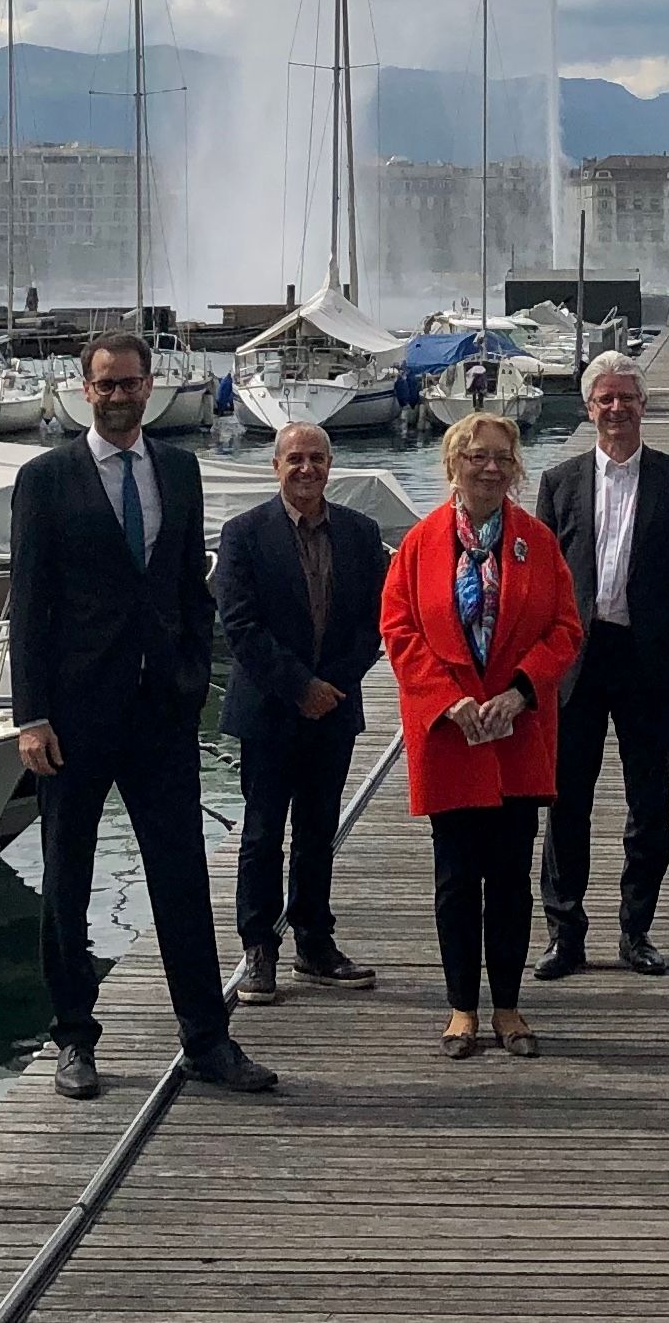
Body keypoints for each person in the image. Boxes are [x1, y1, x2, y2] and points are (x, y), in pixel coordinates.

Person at [8, 330, 276, 1101]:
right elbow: (28, 605)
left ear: (151, 385)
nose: (121, 395)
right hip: (73, 715)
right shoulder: (46, 478)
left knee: (182, 876)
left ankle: (206, 1038)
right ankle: (74, 1038)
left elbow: (190, 582)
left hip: (161, 708)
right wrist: (31, 717)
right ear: (83, 388)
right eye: (107, 384)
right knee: (68, 877)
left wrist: (194, 669)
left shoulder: (180, 469)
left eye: (132, 382)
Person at [382, 410, 581, 1060]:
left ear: (515, 466)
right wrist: (449, 700)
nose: (490, 467)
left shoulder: (538, 541)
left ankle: (509, 1006)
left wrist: (521, 690)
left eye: (501, 456)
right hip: (451, 737)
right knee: (456, 878)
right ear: (453, 464)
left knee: (512, 878)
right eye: (476, 456)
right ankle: (462, 1006)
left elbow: (565, 629)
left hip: (516, 731)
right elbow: (399, 628)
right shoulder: (420, 543)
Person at [535, 348, 669, 979]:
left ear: (643, 405)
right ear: (590, 409)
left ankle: (636, 930)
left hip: (647, 661)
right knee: (565, 800)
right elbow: (542, 584)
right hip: (577, 662)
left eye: (627, 398)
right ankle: (564, 930)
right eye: (605, 399)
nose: (616, 408)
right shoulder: (558, 483)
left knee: (648, 803)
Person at [215, 421, 389, 1006]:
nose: (306, 469)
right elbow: (240, 626)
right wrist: (299, 686)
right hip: (269, 708)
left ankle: (315, 942)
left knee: (318, 830)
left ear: (330, 464)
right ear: (276, 465)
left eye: (316, 458)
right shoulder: (242, 534)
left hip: (334, 707)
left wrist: (331, 686)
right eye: (295, 459)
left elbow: (377, 623)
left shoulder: (362, 535)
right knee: (263, 832)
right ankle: (258, 947)